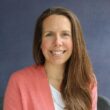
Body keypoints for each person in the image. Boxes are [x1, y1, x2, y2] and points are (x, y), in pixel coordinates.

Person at [3, 7, 97, 110]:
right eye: (49, 34)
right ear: (40, 42)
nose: (57, 42)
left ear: (75, 41)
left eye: (65, 34)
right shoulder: (19, 81)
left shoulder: (87, 81)